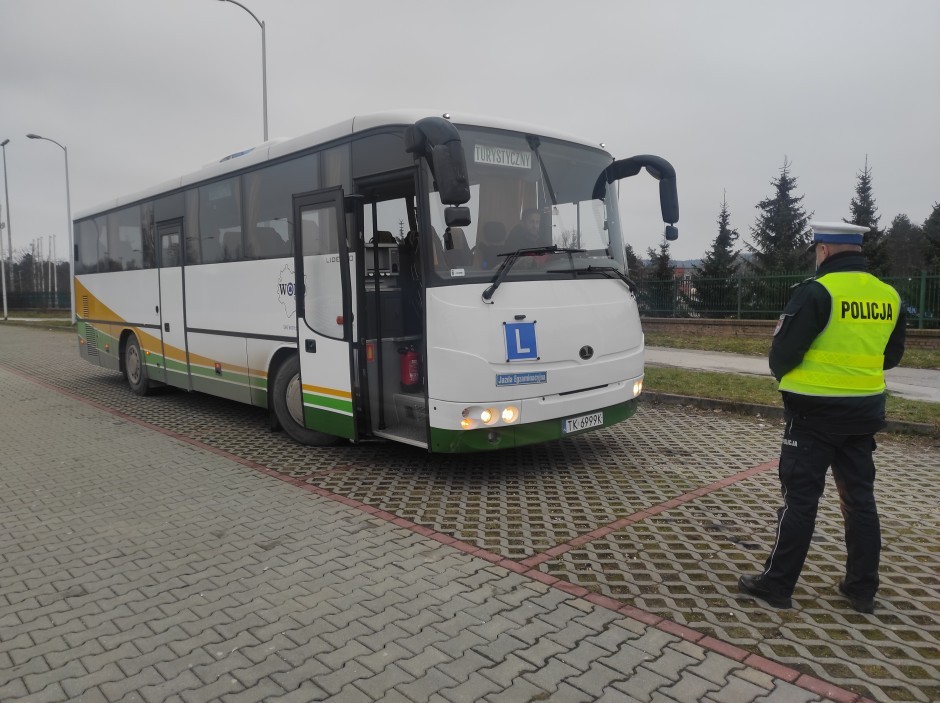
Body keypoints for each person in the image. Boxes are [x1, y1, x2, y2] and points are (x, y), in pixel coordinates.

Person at [738, 221, 906, 613]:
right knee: (860, 501)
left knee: (800, 501)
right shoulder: (889, 296)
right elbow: (892, 356)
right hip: (864, 413)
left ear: (825, 251)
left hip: (813, 416)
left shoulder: (817, 291)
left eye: (816, 250)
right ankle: (861, 589)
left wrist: (794, 379)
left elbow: (782, 355)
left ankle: (777, 585)